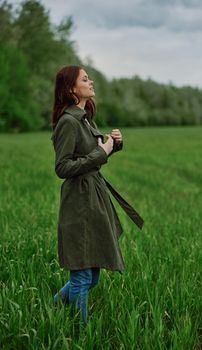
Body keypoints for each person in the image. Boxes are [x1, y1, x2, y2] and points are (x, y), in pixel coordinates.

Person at [51, 65, 144, 325]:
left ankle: (52, 308)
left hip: (93, 198)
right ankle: (81, 331)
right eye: (85, 79)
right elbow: (62, 167)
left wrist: (112, 147)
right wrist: (100, 153)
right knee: (81, 278)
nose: (91, 82)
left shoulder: (84, 118)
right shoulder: (68, 122)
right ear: (71, 89)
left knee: (92, 277)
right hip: (78, 203)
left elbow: (93, 156)